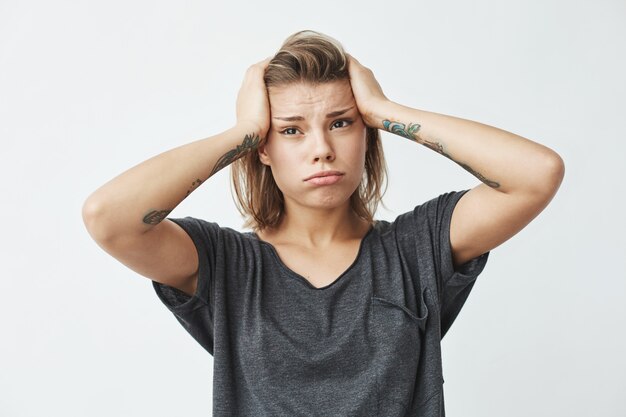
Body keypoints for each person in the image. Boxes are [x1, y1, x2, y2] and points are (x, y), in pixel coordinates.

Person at [82, 30, 564, 416]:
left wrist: (385, 111)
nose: (321, 148)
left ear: (367, 135)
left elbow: (536, 174)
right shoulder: (226, 265)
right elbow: (109, 218)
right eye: (291, 130)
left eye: (341, 122)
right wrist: (243, 133)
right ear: (264, 150)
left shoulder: (417, 248)